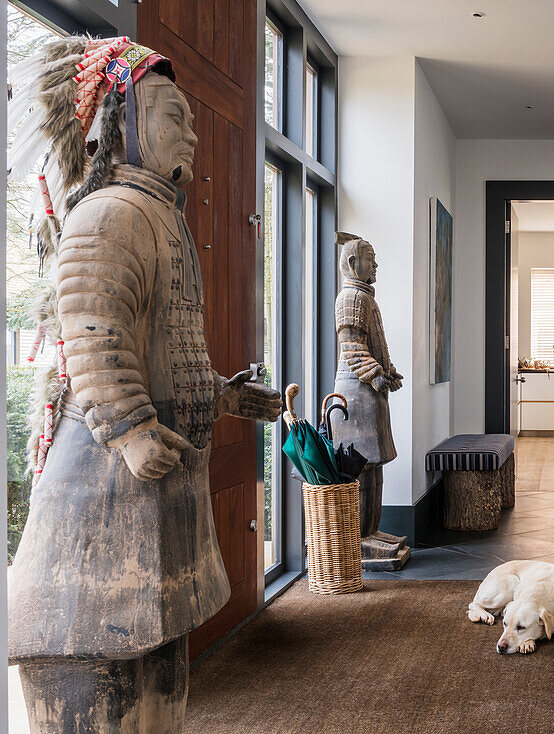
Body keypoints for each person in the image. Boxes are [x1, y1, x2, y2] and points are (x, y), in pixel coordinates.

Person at [7, 36, 282, 731]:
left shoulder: (157, 214)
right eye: (171, 113)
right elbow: (92, 331)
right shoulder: (112, 213)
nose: (189, 129)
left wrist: (222, 394)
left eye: (190, 116)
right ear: (115, 125)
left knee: (158, 687)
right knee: (105, 688)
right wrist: (128, 427)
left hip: (151, 502)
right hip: (101, 506)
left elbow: (158, 348)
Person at [330, 232, 411, 570]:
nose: (375, 264)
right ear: (352, 263)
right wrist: (377, 375)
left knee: (373, 466)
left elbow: (373, 346)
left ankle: (372, 530)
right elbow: (352, 350)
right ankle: (361, 537)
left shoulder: (364, 298)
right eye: (370, 258)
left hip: (370, 392)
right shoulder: (350, 298)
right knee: (360, 467)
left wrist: (387, 372)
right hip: (356, 393)